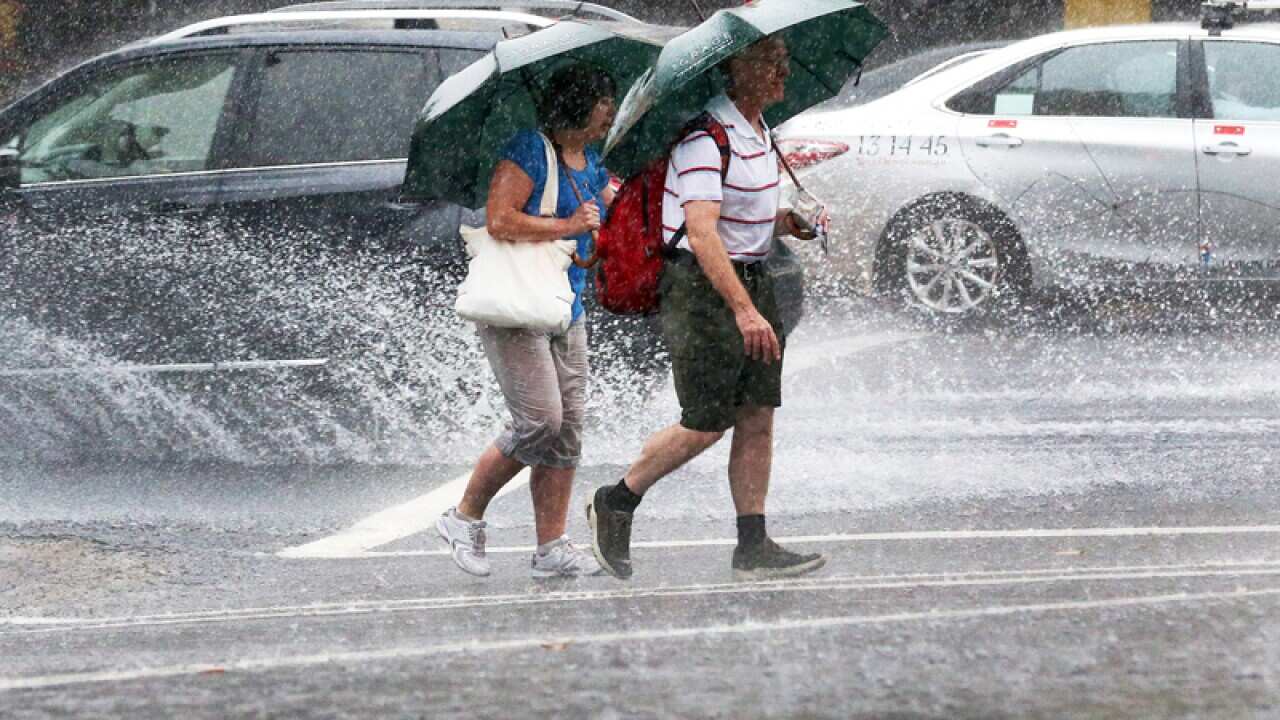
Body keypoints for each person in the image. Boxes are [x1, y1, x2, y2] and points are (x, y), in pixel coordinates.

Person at [587, 36, 829, 582]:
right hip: (702, 290)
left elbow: (737, 220)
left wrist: (783, 222)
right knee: (705, 423)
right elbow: (700, 234)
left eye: (785, 63)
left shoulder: (759, 131)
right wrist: (744, 311)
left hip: (752, 277)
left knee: (757, 416)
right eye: (771, 64)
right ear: (736, 72)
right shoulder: (705, 137)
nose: (782, 75)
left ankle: (753, 544)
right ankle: (616, 500)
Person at [437, 63, 616, 579]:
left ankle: (551, 548)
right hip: (517, 306)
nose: (609, 109)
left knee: (568, 432)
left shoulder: (591, 160)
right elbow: (498, 218)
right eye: (604, 99)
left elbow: (605, 207)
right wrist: (567, 224)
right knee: (541, 421)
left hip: (565, 306)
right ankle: (463, 515)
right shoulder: (528, 151)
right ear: (580, 102)